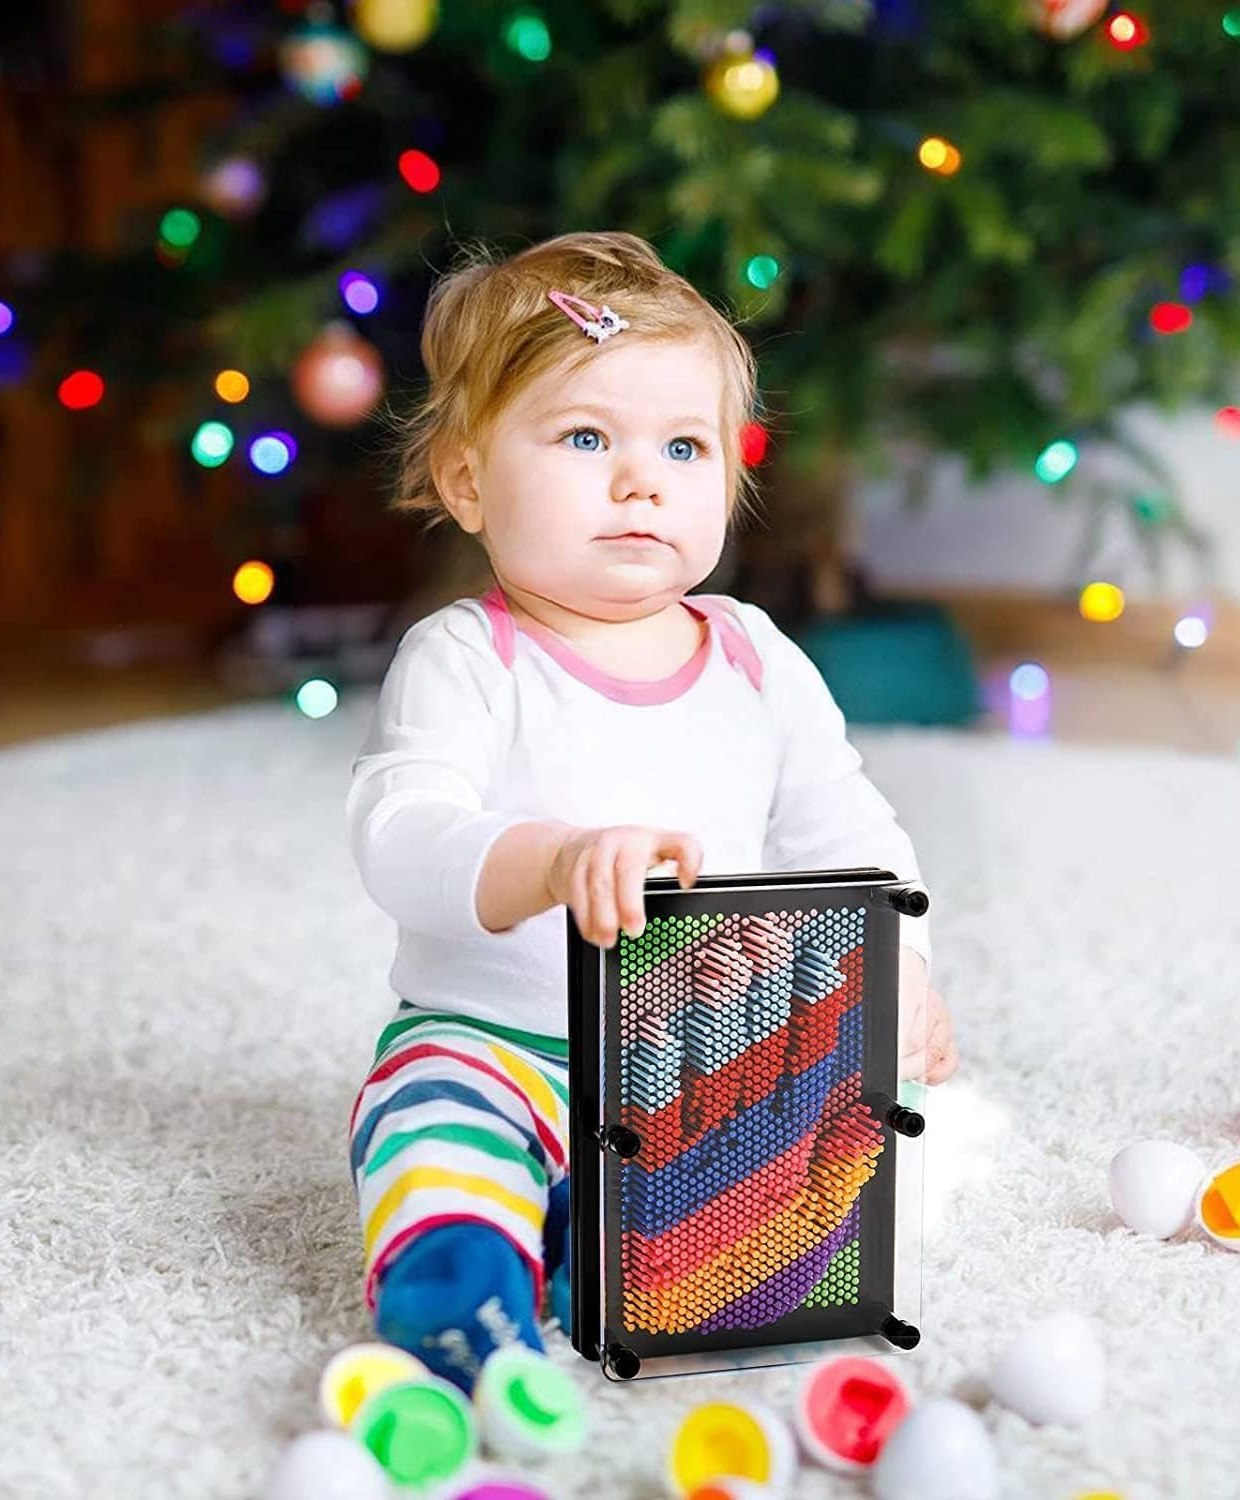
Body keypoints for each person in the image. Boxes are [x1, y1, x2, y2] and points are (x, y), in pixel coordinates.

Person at [345, 229, 958, 1395]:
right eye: (586, 438)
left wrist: (902, 967)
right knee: (434, 1131)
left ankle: (632, 1258)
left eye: (685, 446)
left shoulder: (756, 657)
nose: (642, 480)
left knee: (803, 1156)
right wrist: (553, 860)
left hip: (694, 1058)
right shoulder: (468, 658)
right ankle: (463, 1286)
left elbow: (852, 834)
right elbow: (401, 839)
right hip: (493, 1042)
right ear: (470, 480)